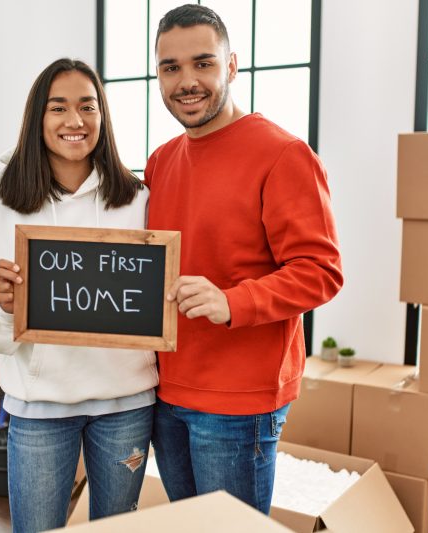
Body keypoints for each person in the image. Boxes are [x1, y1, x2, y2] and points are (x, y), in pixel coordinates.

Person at [145, 5, 343, 514]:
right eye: (170, 68)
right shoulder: (161, 160)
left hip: (239, 402)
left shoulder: (283, 154)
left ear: (231, 66)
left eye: (203, 63)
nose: (186, 81)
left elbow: (321, 272)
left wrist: (232, 301)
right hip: (165, 391)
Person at [0, 58, 157, 533]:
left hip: (125, 403)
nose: (75, 121)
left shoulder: (138, 200)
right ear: (37, 120)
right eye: (59, 108)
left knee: (116, 528)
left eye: (88, 107)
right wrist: (5, 308)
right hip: (39, 408)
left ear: (103, 118)